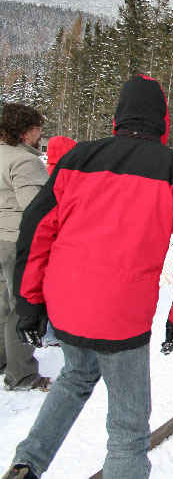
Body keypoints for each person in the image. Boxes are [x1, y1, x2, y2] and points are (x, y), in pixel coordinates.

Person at [4, 75, 173, 479]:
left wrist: (29, 304)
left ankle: (27, 464)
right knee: (128, 425)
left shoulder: (77, 159)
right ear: (162, 119)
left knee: (75, 377)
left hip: (67, 305)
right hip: (121, 316)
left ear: (118, 115)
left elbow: (36, 233)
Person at [0, 103, 50, 393]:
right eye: (38, 128)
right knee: (21, 305)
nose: (40, 134)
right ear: (27, 131)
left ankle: (4, 360)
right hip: (15, 241)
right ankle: (21, 374)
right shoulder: (25, 161)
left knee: (2, 304)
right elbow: (35, 207)